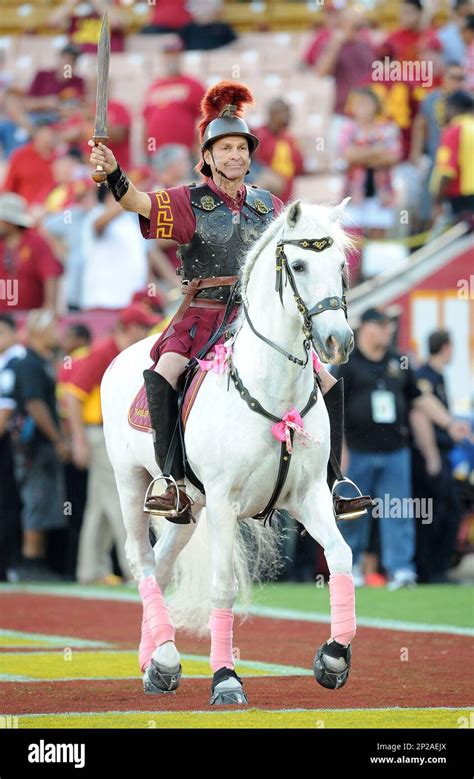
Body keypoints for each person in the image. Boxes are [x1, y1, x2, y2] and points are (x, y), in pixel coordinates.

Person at [89, 80, 367, 524]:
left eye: (241, 148)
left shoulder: (270, 205)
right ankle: (172, 481)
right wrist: (114, 174)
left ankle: (333, 483)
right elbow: (135, 202)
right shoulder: (187, 201)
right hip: (202, 314)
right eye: (225, 148)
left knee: (328, 381)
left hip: (256, 317)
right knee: (166, 371)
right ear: (209, 156)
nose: (235, 156)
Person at [333, 308, 469, 590]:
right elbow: (336, 409)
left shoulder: (399, 361)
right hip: (357, 451)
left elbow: (420, 400)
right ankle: (349, 566)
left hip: (396, 451)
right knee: (353, 513)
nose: (389, 331)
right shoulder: (348, 363)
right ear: (366, 328)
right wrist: (340, 450)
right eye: (382, 326)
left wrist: (449, 422)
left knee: (398, 511)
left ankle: (401, 569)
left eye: (390, 326)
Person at [63, 305, 160, 584]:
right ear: (125, 328)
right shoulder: (105, 353)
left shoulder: (121, 354)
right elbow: (72, 395)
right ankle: (135, 569)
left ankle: (90, 569)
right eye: (141, 327)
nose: (146, 333)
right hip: (99, 434)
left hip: (106, 433)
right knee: (123, 500)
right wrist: (79, 439)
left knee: (99, 507)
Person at [12, 310, 69, 582]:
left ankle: (38, 562)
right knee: (36, 499)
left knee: (44, 500)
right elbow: (35, 404)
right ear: (37, 332)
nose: (57, 333)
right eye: (52, 328)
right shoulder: (30, 364)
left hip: (40, 443)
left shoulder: (42, 361)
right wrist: (58, 439)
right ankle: (30, 564)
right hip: (34, 445)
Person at [412, 330, 467, 583]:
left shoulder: (438, 377)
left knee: (449, 512)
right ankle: (429, 570)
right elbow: (420, 416)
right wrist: (431, 454)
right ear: (446, 347)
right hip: (428, 456)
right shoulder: (425, 377)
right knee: (429, 514)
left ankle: (439, 568)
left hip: (444, 454)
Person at [340, 87, 402, 236]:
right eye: (358, 103)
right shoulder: (348, 128)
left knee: (378, 239)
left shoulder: (388, 128)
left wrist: (361, 154)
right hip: (354, 192)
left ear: (376, 106)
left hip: (381, 193)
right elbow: (349, 155)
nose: (362, 108)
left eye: (366, 103)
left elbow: (392, 157)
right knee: (352, 241)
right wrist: (377, 151)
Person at [0, 193, 63, 313]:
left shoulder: (36, 243)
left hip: (28, 317)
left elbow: (50, 273)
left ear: (10, 222)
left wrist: (50, 306)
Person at [142, 38, 205, 157]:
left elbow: (205, 117)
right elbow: (147, 120)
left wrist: (198, 145)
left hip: (184, 153)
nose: (171, 58)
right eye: (168, 54)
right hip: (156, 153)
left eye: (175, 54)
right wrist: (146, 150)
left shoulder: (193, 84)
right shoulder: (154, 87)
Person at [0, 314, 25, 581]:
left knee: (8, 504)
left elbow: (4, 412)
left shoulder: (14, 363)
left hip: (11, 444)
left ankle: (8, 565)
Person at [430, 89, 474, 223]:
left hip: (464, 198)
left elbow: (447, 171)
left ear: (454, 108)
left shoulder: (455, 130)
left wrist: (437, 201)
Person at [254, 98, 304, 204]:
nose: (289, 117)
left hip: (286, 200)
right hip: (264, 200)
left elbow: (300, 166)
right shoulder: (259, 136)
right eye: (285, 112)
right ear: (273, 114)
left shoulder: (289, 138)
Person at [2, 119, 57, 206]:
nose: (47, 140)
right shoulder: (21, 155)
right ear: (36, 137)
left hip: (51, 209)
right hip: (24, 210)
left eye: (50, 136)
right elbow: (8, 186)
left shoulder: (59, 157)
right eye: (44, 136)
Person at [26, 44, 85, 124]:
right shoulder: (42, 75)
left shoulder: (78, 81)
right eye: (65, 58)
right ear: (59, 58)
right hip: (38, 119)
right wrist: (45, 102)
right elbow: (27, 103)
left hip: (64, 123)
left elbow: (81, 107)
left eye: (72, 60)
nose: (67, 63)